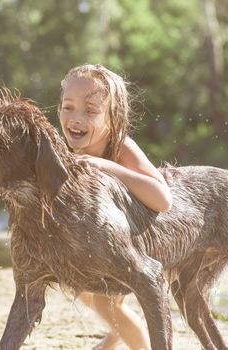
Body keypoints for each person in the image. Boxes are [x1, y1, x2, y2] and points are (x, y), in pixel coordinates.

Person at [58, 63, 172, 350]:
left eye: (90, 111)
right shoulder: (66, 150)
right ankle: (116, 333)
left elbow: (163, 199)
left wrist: (108, 166)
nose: (75, 118)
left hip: (139, 245)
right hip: (103, 245)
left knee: (103, 301)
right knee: (79, 288)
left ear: (113, 117)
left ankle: (132, 342)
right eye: (68, 107)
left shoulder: (120, 148)